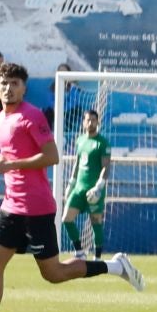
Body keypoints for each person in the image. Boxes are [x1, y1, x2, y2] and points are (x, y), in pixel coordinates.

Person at [0, 62, 142, 309]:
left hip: (36, 208)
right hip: (10, 207)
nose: (8, 88)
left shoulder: (32, 116)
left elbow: (52, 156)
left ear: (24, 89)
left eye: (14, 83)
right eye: (4, 83)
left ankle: (116, 266)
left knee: (53, 273)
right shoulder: (2, 118)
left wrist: (13, 165)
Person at [60, 107, 112, 255]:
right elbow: (77, 163)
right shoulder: (80, 140)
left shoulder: (102, 143)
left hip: (93, 189)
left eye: (93, 120)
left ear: (97, 122)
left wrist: (99, 186)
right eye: (88, 120)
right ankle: (80, 251)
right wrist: (71, 182)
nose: (90, 123)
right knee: (66, 219)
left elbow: (106, 166)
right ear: (84, 122)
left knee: (96, 223)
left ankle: (97, 257)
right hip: (79, 188)